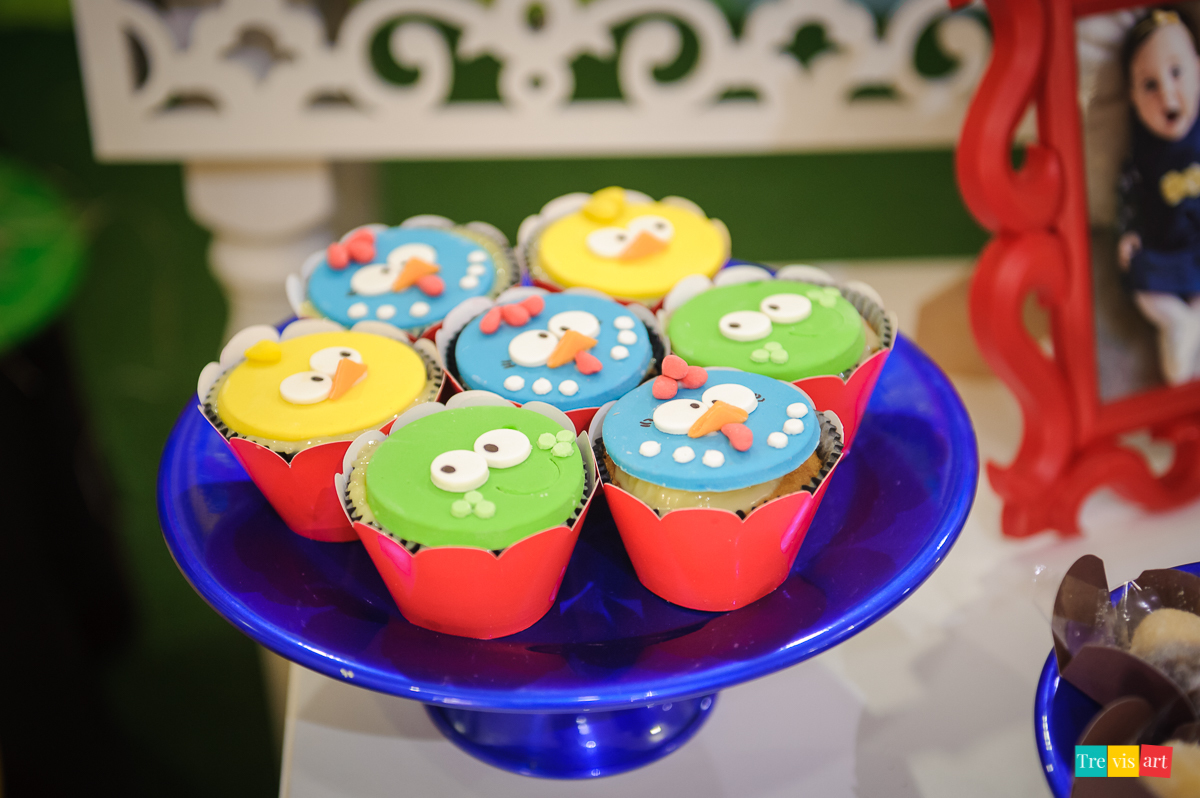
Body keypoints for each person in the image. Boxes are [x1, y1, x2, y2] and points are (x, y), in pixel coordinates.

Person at [1118, 8, 1200, 384]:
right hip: (1167, 252)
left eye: (1177, 72)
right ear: (1132, 98)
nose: (1166, 92)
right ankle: (1178, 322)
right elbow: (1128, 197)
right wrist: (1129, 232)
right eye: (1149, 86)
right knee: (1139, 275)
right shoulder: (1141, 156)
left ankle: (1192, 325)